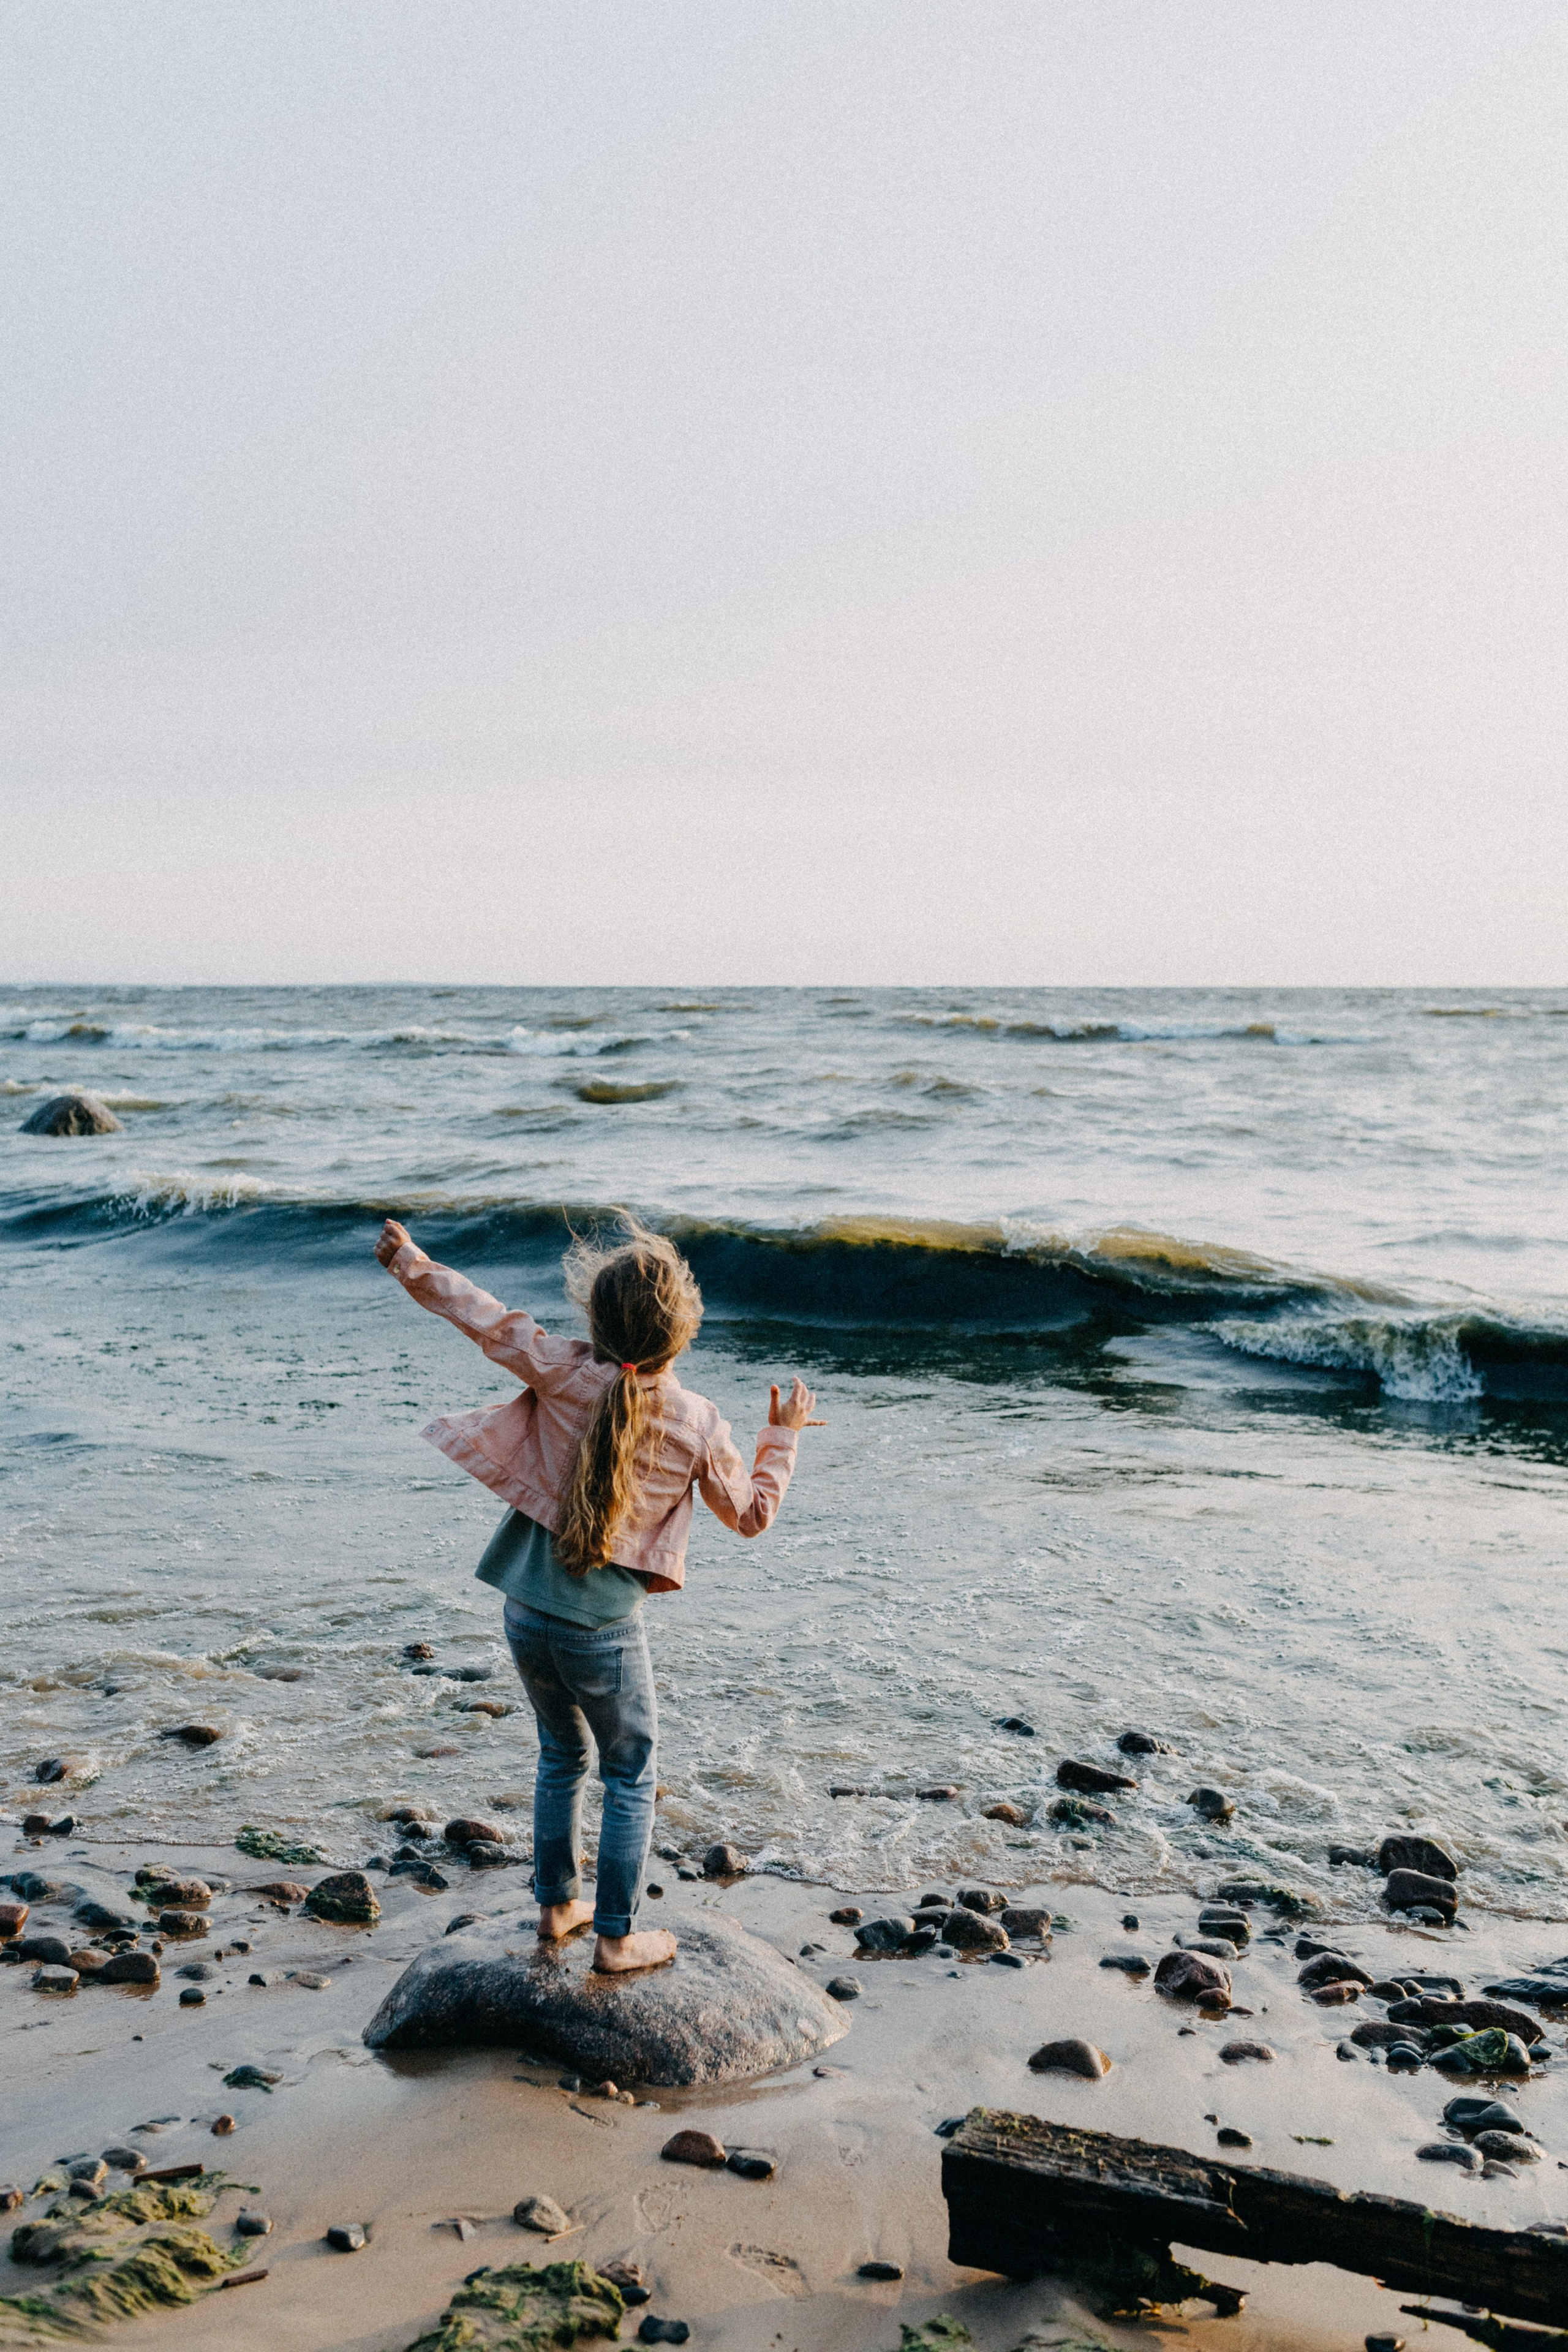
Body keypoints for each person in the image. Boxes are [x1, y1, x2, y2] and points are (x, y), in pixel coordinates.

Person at [374, 1213, 821, 1974]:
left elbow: (483, 1317)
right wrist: (783, 1438)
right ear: (683, 1334)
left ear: (595, 1321)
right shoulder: (700, 1421)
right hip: (602, 1629)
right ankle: (616, 1936)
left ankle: (556, 1908)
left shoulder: (562, 1369)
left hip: (523, 1609)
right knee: (631, 1770)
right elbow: (750, 1517)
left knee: (560, 1754)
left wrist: (410, 1262)